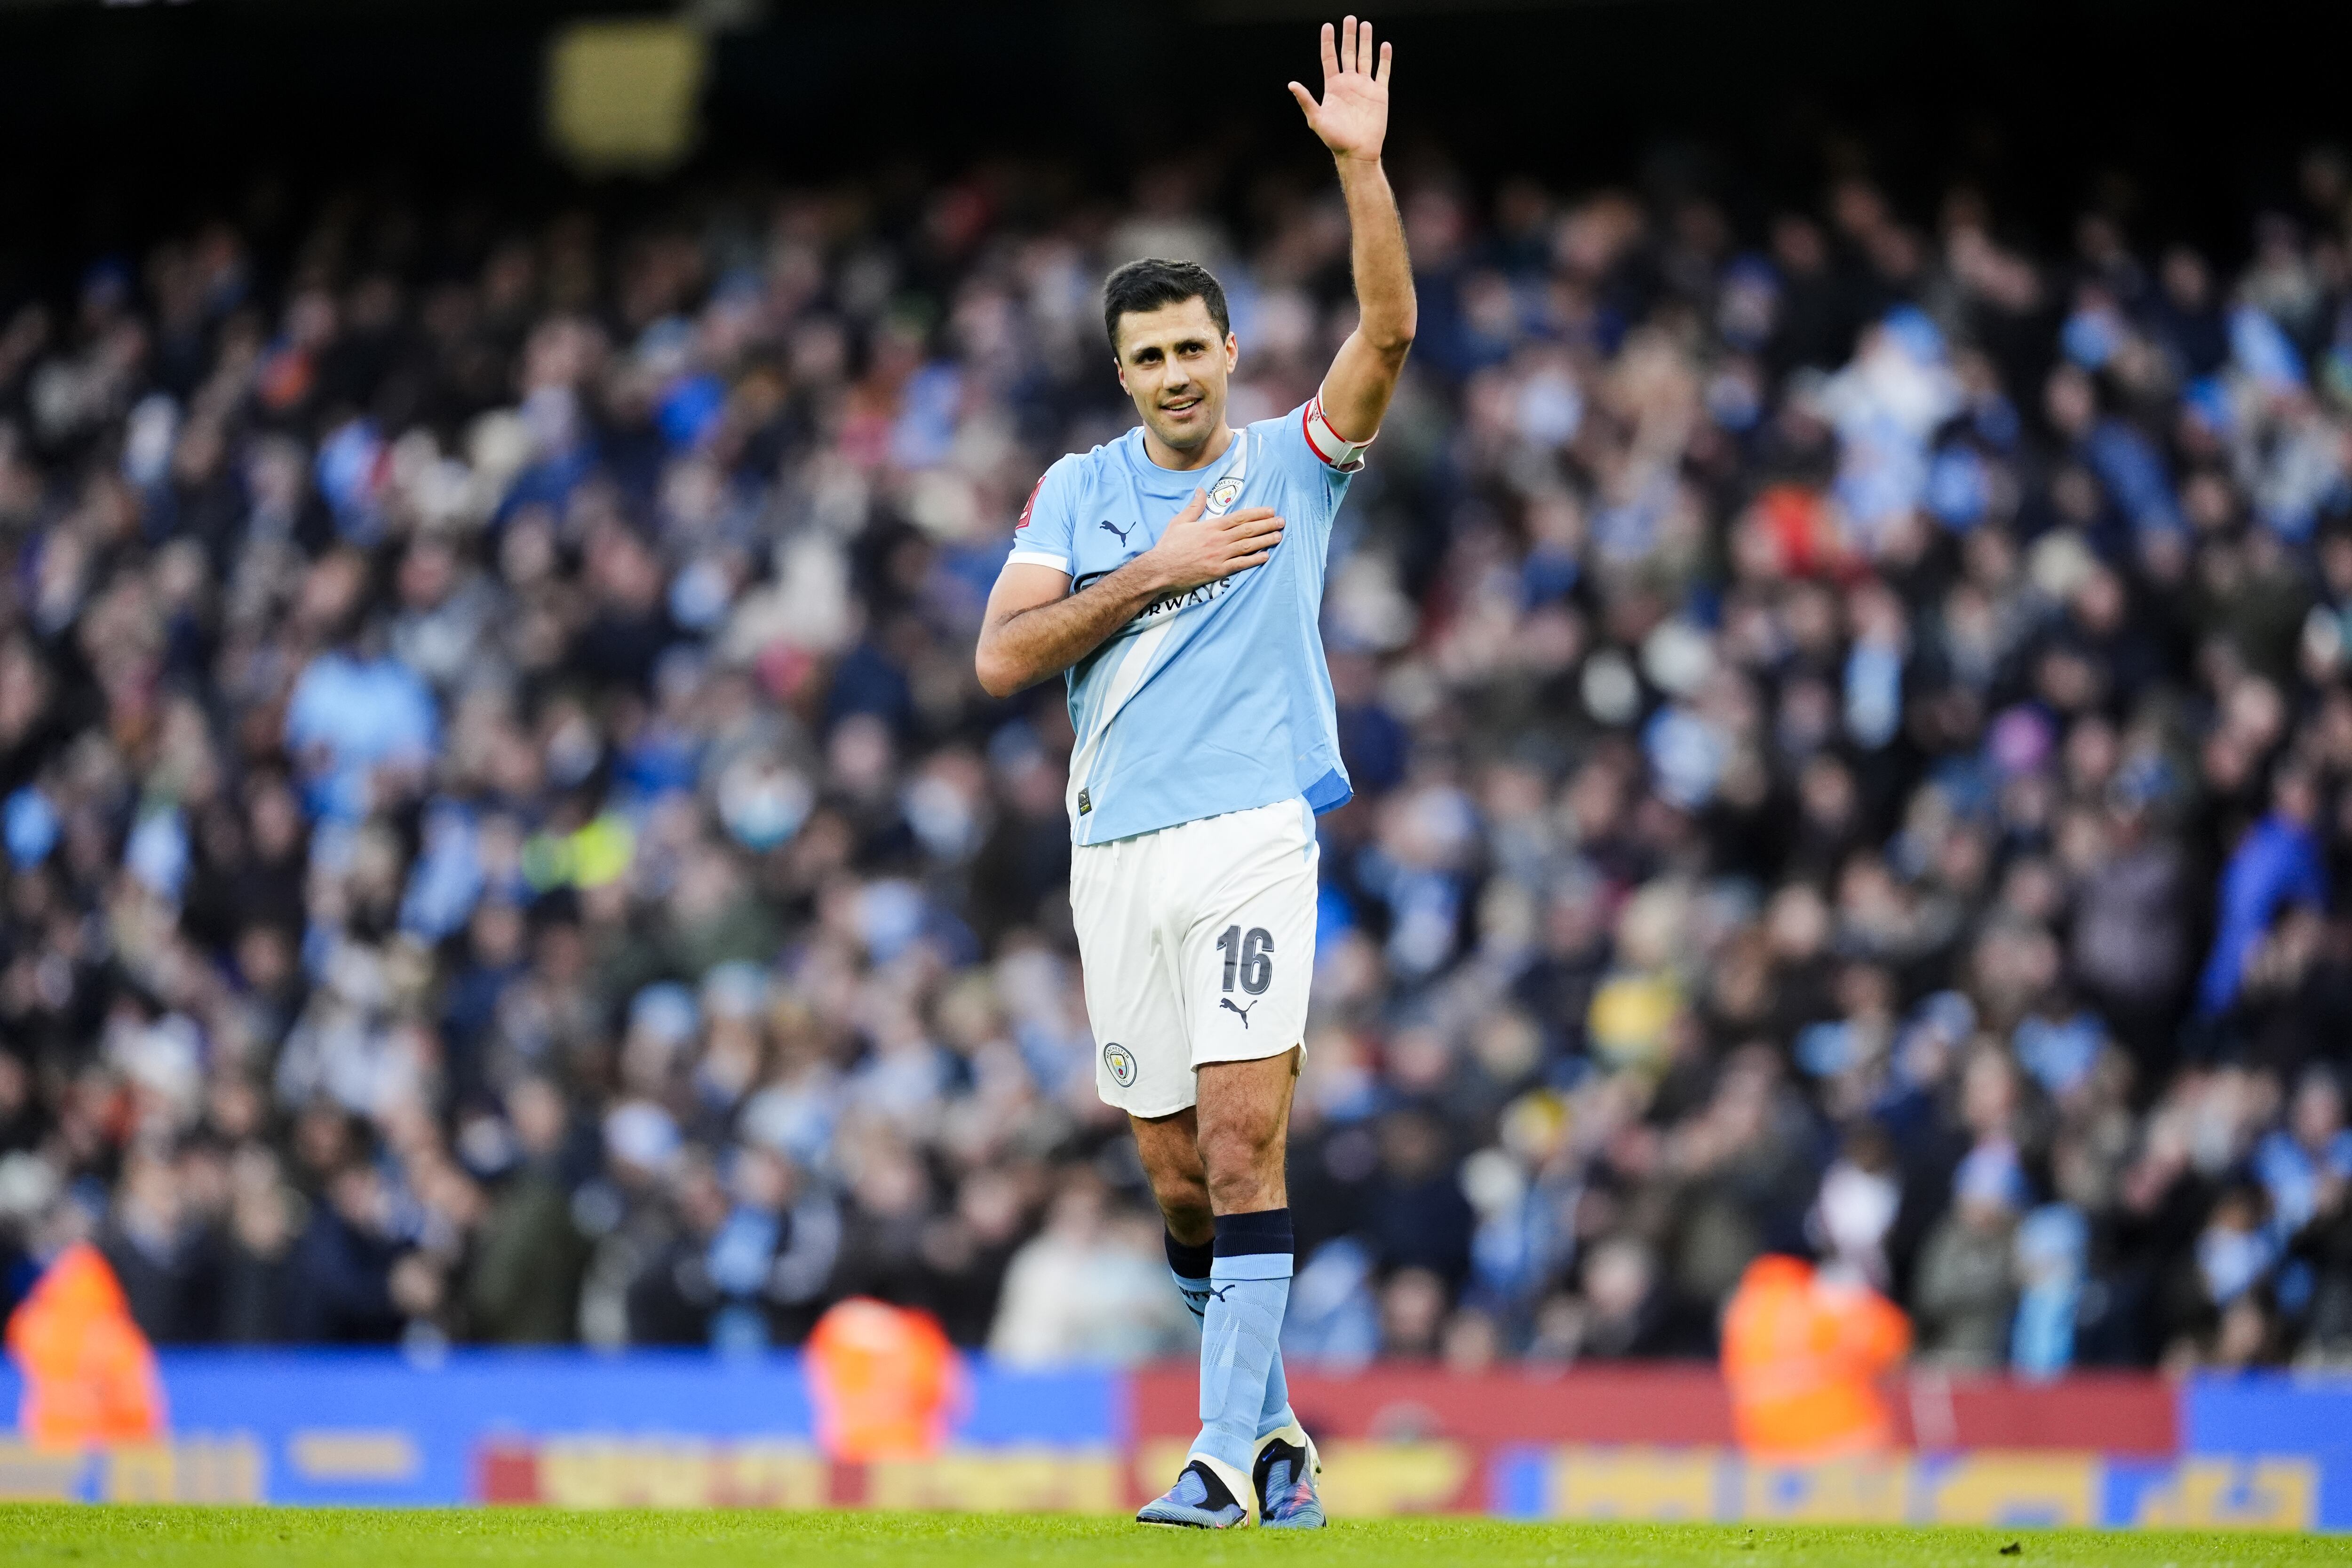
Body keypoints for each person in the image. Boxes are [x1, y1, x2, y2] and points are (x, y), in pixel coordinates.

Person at [972, 15, 1414, 1529]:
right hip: (1116, 857)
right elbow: (1002, 660)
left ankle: (1222, 1456)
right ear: (1122, 373)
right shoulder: (1080, 494)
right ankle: (1277, 1431)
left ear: (1232, 352)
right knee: (1173, 1179)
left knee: (1242, 1139)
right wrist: (1156, 573)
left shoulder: (1293, 459)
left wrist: (1362, 171)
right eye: (1146, 357)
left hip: (1250, 837)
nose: (1173, 375)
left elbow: (1392, 335)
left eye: (1192, 350)